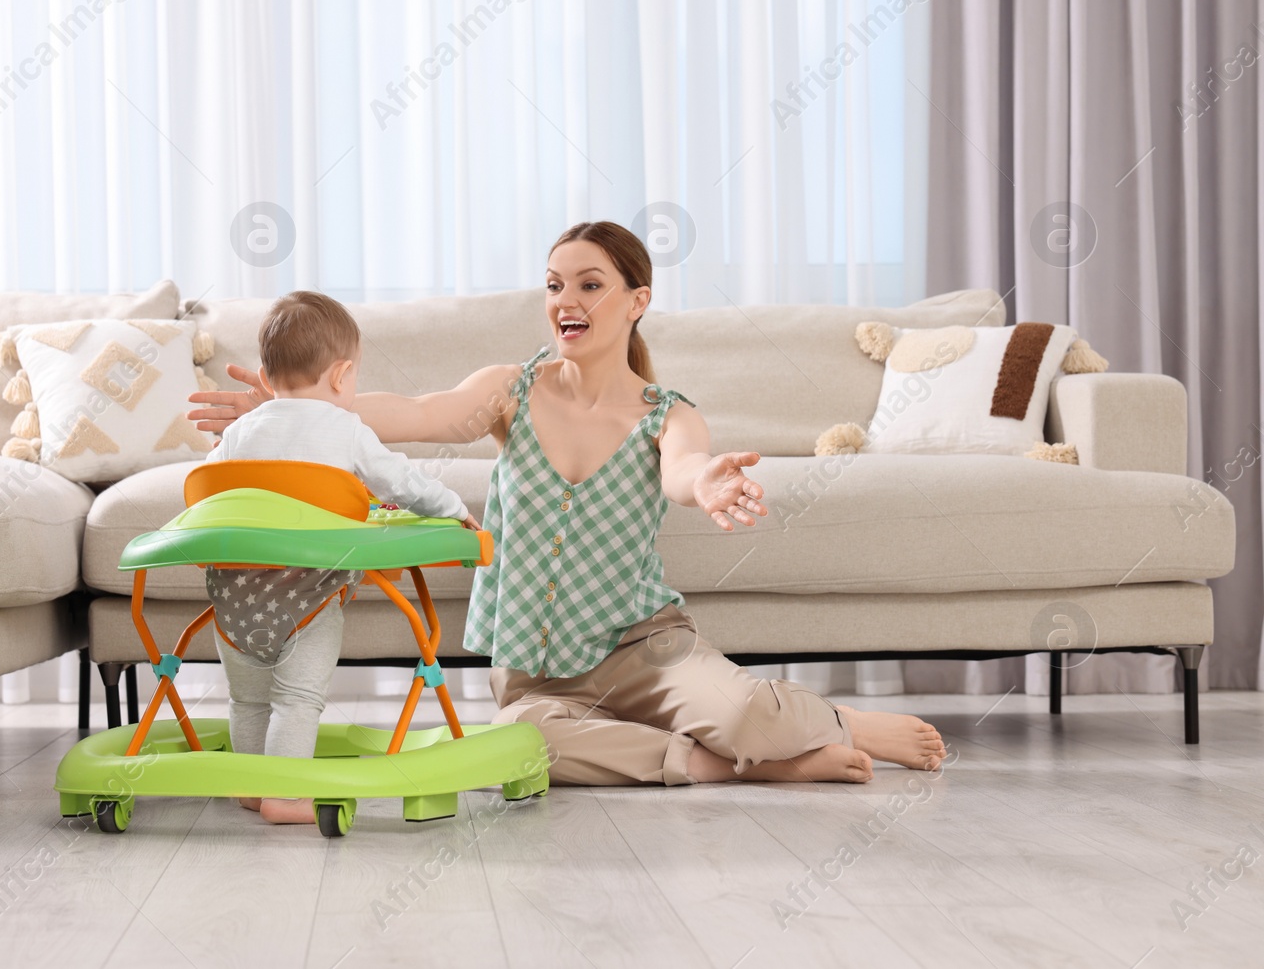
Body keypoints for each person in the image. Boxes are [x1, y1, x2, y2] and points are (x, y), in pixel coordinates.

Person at [191, 225, 945, 788]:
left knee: (748, 709)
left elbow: (683, 469)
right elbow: (418, 412)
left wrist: (708, 480)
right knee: (523, 742)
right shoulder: (508, 389)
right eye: (554, 285)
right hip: (536, 677)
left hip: (647, 648)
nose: (566, 301)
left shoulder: (666, 412)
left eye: (588, 284)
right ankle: (733, 767)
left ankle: (844, 724)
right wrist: (298, 406)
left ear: (635, 300)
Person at [203, 290, 477, 823]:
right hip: (306, 599)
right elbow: (401, 480)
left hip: (233, 602)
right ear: (341, 375)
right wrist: (453, 508)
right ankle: (286, 797)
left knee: (250, 701)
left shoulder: (238, 433)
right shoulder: (346, 430)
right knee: (296, 700)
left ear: (264, 373)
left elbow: (211, 489)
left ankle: (250, 786)